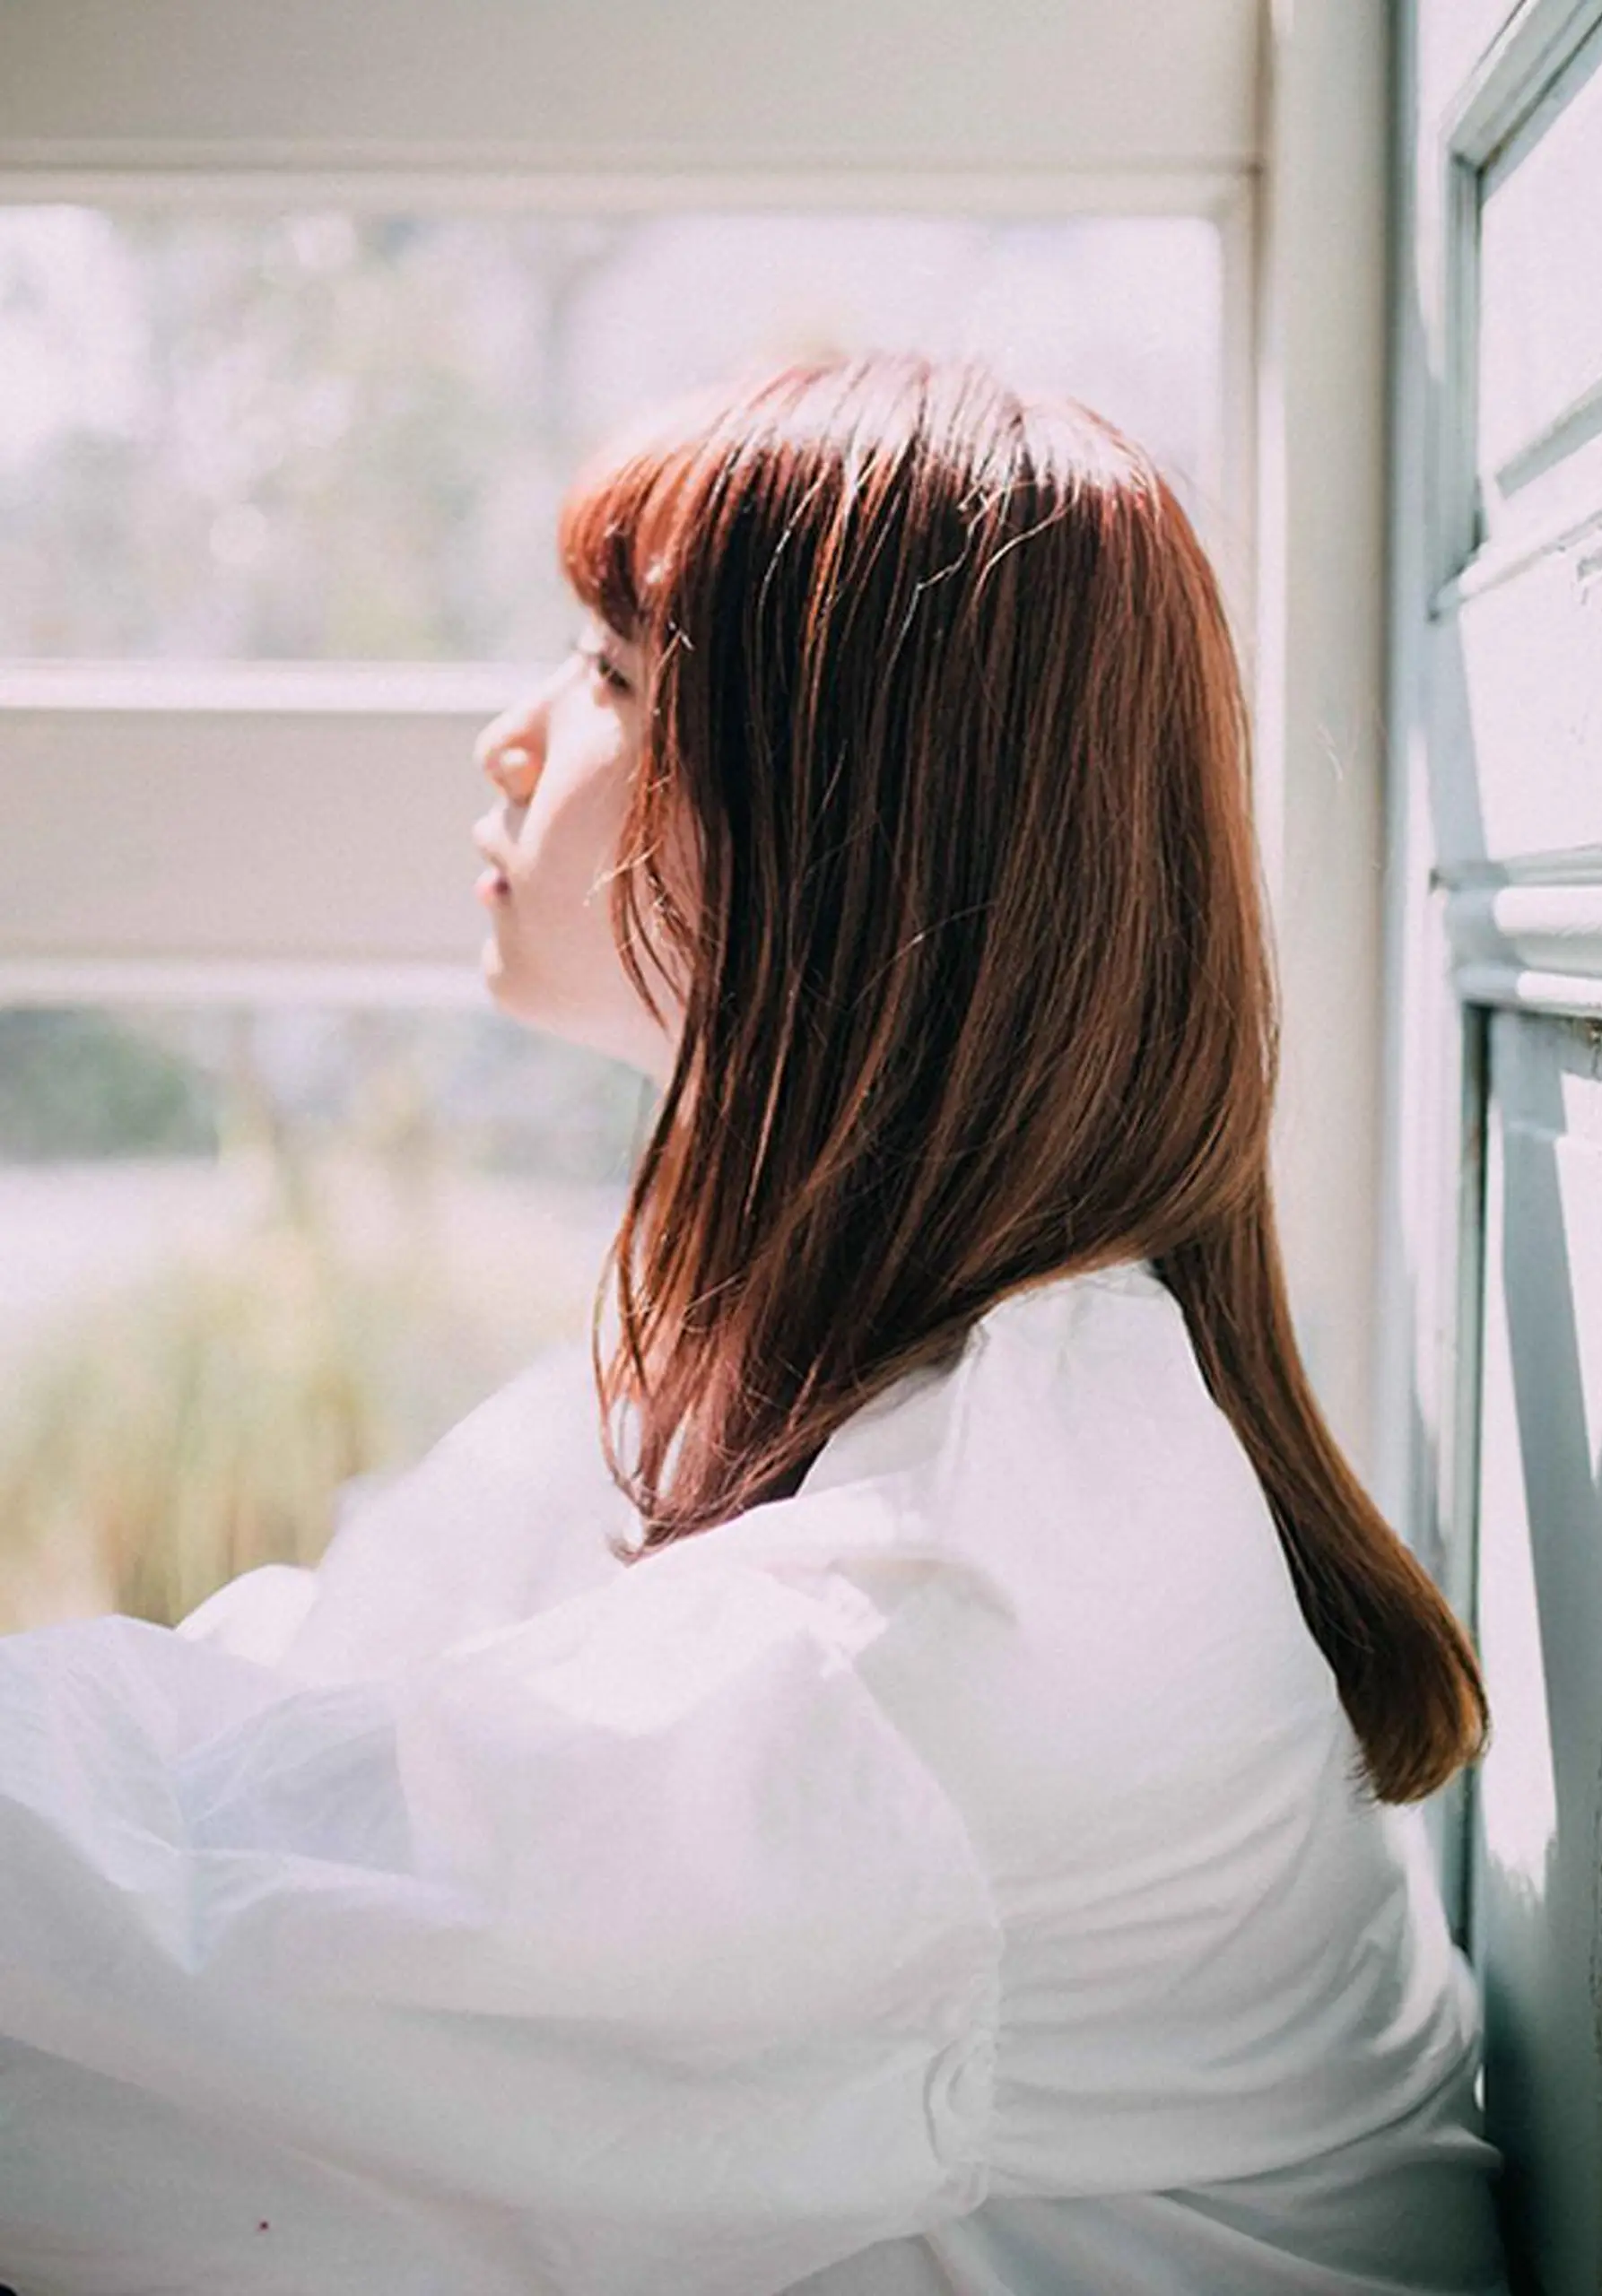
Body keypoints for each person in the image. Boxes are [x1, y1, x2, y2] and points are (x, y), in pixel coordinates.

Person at [0, 354, 1507, 2294]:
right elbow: (322, 1707)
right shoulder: (851, 1370)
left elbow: (208, 1921)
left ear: (845, 834)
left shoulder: (958, 1607)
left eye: (617, 681)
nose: (512, 736)